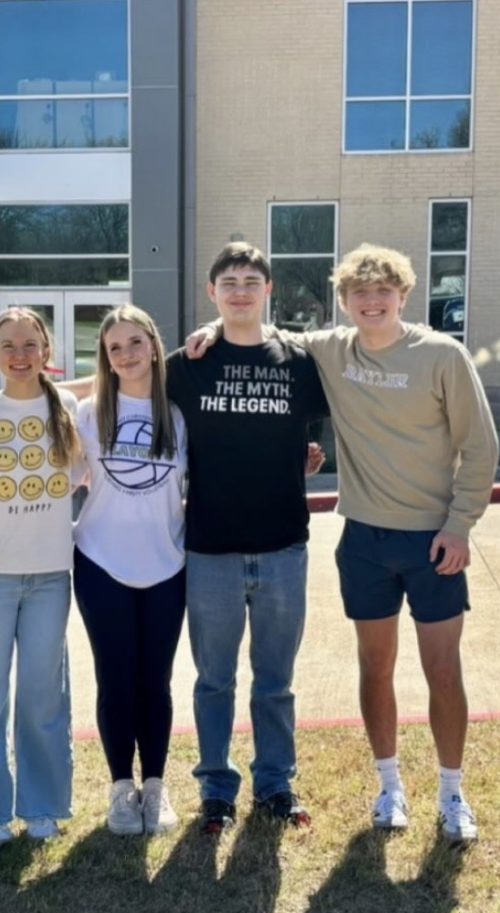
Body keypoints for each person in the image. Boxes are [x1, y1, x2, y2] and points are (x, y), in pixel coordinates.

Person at [188, 243, 498, 843]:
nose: (371, 302)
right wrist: (211, 329)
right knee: (374, 667)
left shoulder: (442, 355)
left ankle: (452, 793)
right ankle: (389, 788)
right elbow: (255, 327)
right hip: (363, 539)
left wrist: (460, 525)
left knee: (442, 669)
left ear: (403, 295)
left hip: (434, 539)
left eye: (383, 291)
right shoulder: (329, 350)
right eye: (359, 293)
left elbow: (481, 449)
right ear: (344, 301)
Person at [169, 243, 329, 834]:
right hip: (210, 547)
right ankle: (216, 789)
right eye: (229, 282)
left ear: (269, 291)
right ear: (212, 292)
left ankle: (275, 784)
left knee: (275, 681)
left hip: (283, 545)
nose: (240, 291)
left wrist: (303, 458)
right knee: (214, 680)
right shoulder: (186, 364)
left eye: (251, 281)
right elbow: (122, 386)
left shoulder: (298, 361)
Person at [0, 307, 83, 847]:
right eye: (8, 345)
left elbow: (82, 473)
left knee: (42, 696)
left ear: (46, 351)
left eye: (30, 344)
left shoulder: (67, 408)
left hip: (51, 574)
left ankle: (41, 806)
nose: (19, 354)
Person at [74, 305, 188, 836]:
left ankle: (156, 787)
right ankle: (122, 788)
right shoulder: (88, 413)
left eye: (135, 342)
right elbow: (56, 473)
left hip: (167, 564)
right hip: (101, 562)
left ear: (154, 347)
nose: (126, 354)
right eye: (114, 347)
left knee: (156, 681)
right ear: (105, 357)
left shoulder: (178, 415)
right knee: (115, 678)